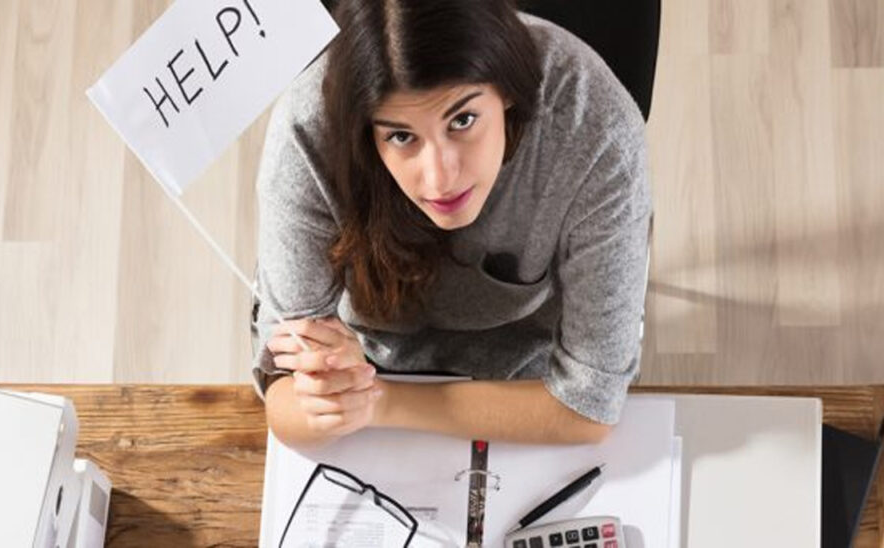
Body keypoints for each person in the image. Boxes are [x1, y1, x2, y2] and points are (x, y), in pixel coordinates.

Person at [250, 0, 651, 449]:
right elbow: (283, 398)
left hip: (530, 378)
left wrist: (378, 402)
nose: (440, 178)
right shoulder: (308, 130)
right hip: (362, 362)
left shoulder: (594, 124)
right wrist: (326, 393)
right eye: (401, 136)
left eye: (462, 120)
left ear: (507, 90)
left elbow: (590, 408)